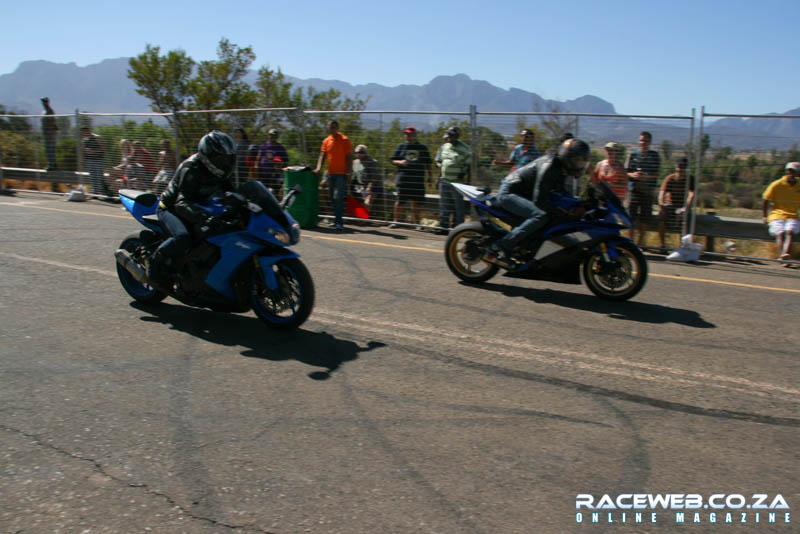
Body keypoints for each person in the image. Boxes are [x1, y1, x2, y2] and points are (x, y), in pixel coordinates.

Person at [147, 130, 238, 290]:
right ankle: (155, 262)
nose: (226, 162)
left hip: (197, 206)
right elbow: (181, 204)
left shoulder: (220, 172)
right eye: (221, 158)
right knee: (183, 237)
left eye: (229, 158)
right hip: (171, 208)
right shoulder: (191, 169)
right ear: (207, 155)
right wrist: (205, 218)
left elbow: (233, 192)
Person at [486, 138, 591, 267]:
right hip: (509, 193)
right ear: (568, 158)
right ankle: (501, 246)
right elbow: (539, 201)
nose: (580, 165)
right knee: (540, 215)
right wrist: (563, 213)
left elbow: (561, 191)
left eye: (583, 162)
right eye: (578, 161)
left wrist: (579, 203)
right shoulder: (549, 166)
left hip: (524, 194)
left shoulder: (560, 168)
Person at [389, 126, 432, 229]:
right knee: (400, 201)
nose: (408, 136)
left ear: (415, 135)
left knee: (416, 202)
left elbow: (428, 163)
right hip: (403, 179)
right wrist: (400, 162)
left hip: (417, 179)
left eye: (410, 135)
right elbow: (392, 160)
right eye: (406, 134)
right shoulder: (401, 146)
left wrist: (430, 177)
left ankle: (416, 223)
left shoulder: (422, 147)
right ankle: (396, 222)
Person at [314, 120, 353, 231]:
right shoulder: (326, 141)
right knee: (332, 197)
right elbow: (322, 155)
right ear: (328, 128)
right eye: (331, 127)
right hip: (330, 173)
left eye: (334, 127)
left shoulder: (345, 140)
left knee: (338, 197)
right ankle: (335, 220)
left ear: (338, 128)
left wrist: (349, 172)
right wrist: (318, 168)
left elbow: (349, 157)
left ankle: (339, 222)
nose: (332, 129)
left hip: (341, 174)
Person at [626, 131, 661, 245]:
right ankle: (630, 243)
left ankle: (640, 244)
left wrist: (647, 176)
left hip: (648, 191)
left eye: (645, 140)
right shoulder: (633, 155)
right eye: (641, 140)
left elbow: (657, 174)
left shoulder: (654, 156)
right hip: (634, 190)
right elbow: (627, 172)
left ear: (649, 142)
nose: (643, 143)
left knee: (645, 218)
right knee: (631, 217)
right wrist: (634, 175)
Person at [435, 126, 472, 233]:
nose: (450, 138)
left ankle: (458, 229)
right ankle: (444, 228)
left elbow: (469, 166)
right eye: (449, 136)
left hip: (458, 182)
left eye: (452, 136)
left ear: (457, 136)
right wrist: (439, 174)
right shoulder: (443, 147)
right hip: (444, 180)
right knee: (444, 205)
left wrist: (467, 181)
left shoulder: (465, 149)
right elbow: (438, 161)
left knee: (458, 206)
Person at [762, 161, 800, 262]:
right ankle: (784, 255)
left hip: (793, 216)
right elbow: (765, 199)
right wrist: (764, 216)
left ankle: (783, 256)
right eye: (789, 171)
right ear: (786, 171)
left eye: (794, 172)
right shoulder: (776, 184)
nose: (791, 174)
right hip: (776, 215)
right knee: (780, 233)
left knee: (789, 232)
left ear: (797, 173)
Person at [658, 157, 696, 249]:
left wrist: (686, 208)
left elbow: (692, 194)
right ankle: (662, 245)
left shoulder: (690, 179)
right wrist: (662, 205)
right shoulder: (670, 178)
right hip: (670, 204)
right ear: (676, 167)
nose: (681, 169)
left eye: (683, 167)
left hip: (683, 205)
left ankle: (682, 246)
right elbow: (661, 194)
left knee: (686, 219)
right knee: (661, 216)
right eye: (679, 166)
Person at [352, 144, 385, 220]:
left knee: (368, 199)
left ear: (366, 153)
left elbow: (374, 177)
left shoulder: (371, 161)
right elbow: (356, 176)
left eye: (361, 152)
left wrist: (369, 187)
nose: (359, 154)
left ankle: (363, 219)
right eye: (357, 152)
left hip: (375, 185)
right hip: (361, 186)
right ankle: (358, 217)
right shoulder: (355, 162)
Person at [258, 128, 289, 199]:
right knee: (263, 191)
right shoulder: (264, 146)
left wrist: (281, 173)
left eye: (274, 135)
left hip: (275, 175)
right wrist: (257, 171)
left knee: (274, 193)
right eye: (270, 135)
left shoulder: (280, 148)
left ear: (277, 137)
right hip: (264, 173)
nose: (272, 137)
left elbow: (286, 161)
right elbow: (258, 158)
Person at [80, 127, 108, 198]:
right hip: (90, 160)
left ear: (87, 131)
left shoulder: (96, 137)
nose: (82, 134)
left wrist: (93, 151)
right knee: (92, 177)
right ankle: (94, 193)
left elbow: (103, 147)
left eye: (83, 132)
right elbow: (83, 150)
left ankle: (104, 193)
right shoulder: (84, 139)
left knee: (99, 176)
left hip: (98, 160)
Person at [41, 97, 58, 171]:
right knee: (48, 150)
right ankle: (51, 164)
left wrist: (49, 132)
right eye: (43, 101)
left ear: (48, 102)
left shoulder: (49, 110)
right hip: (46, 133)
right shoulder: (45, 110)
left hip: (49, 134)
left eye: (45, 101)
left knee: (50, 150)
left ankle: (52, 165)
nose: (43, 103)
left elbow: (52, 122)